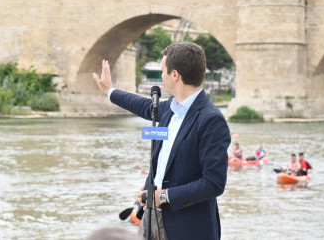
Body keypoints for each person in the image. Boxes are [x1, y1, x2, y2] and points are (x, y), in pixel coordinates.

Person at [92, 42, 230, 240]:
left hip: (188, 228)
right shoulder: (167, 109)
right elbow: (141, 104)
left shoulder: (211, 120)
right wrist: (110, 91)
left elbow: (214, 184)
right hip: (151, 220)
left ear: (175, 75)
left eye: (163, 71)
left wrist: (163, 196)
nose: (162, 76)